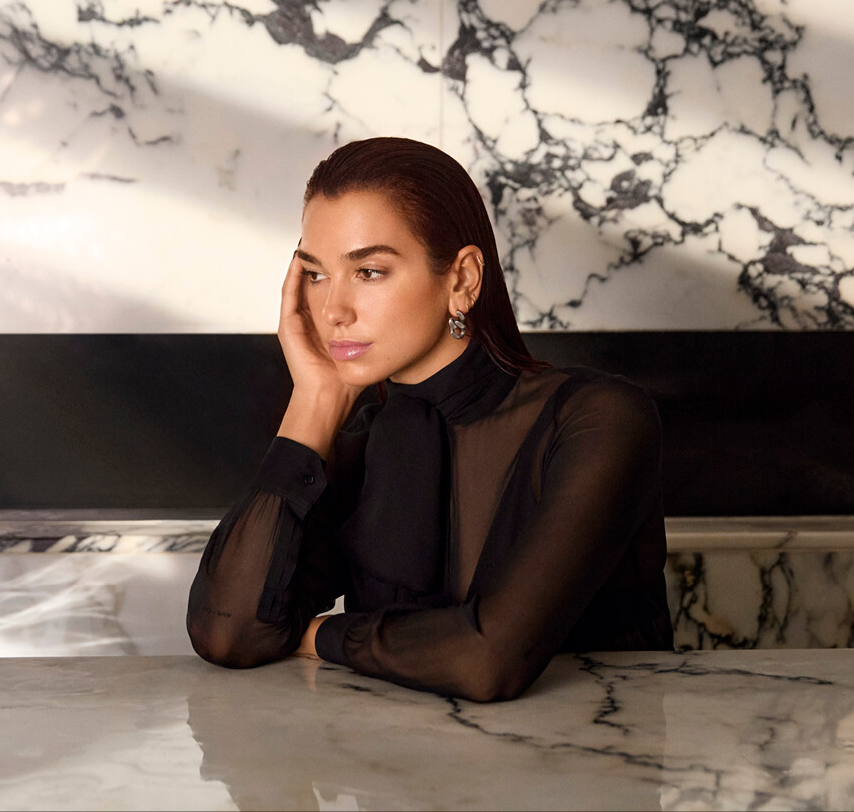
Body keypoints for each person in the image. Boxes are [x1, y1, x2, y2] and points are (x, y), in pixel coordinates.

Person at [187, 137, 672, 702]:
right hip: (397, 756)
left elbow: (487, 660)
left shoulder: (598, 420)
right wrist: (314, 399)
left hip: (589, 754)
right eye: (316, 275)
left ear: (462, 279)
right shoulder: (364, 445)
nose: (333, 311)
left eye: (369, 271)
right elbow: (228, 632)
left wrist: (319, 635)